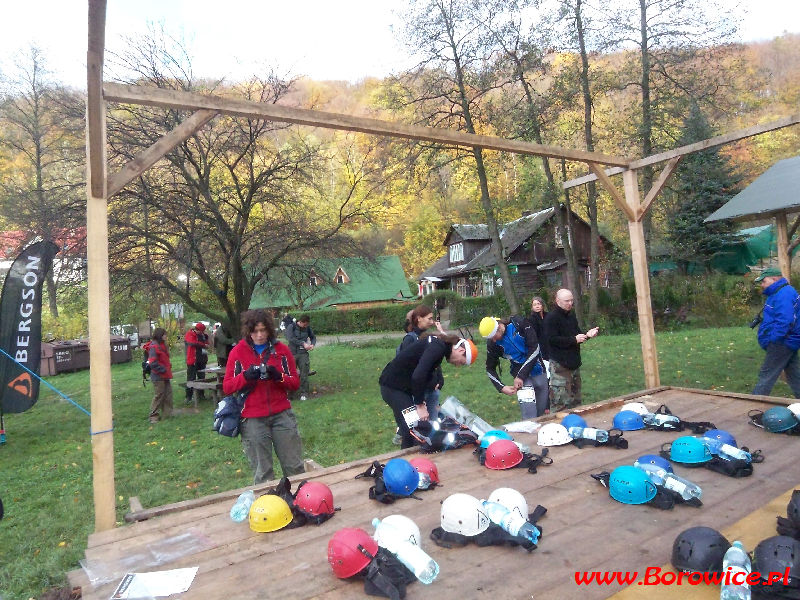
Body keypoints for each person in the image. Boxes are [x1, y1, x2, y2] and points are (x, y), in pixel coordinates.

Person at [223, 309, 304, 484]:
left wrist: (279, 377)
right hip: (253, 419)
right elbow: (227, 387)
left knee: (295, 467)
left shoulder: (281, 350)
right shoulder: (237, 352)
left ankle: (300, 504)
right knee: (263, 473)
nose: (259, 335)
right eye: (255, 331)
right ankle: (268, 510)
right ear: (248, 331)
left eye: (263, 330)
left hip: (282, 415)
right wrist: (245, 377)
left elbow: (295, 383)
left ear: (269, 329)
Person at [379, 333, 478, 448]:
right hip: (392, 387)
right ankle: (410, 461)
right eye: (461, 362)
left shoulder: (438, 346)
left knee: (411, 429)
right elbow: (418, 375)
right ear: (461, 350)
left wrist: (423, 397)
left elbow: (422, 372)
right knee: (414, 429)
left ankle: (410, 461)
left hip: (400, 387)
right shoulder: (438, 347)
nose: (457, 365)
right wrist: (420, 405)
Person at [479, 314, 549, 419]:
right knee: (529, 416)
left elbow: (535, 349)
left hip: (539, 370)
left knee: (541, 412)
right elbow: (490, 368)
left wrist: (521, 375)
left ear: (499, 327)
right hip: (520, 378)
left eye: (493, 337)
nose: (493, 340)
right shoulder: (493, 344)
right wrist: (501, 387)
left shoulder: (519, 323)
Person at [543, 288, 599, 411]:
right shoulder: (551, 318)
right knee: (560, 402)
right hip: (560, 365)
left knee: (576, 401)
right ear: (558, 301)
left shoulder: (571, 316)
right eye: (567, 301)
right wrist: (573, 340)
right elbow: (552, 340)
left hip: (574, 364)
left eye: (571, 301)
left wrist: (587, 335)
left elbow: (577, 336)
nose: (570, 303)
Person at [752, 268, 800, 397]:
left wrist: (773, 339)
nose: (762, 284)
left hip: (782, 342)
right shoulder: (779, 292)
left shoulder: (783, 294)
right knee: (795, 376)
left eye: (764, 281)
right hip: (788, 341)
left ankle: (753, 407)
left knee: (766, 376)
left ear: (774, 279)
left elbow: (785, 320)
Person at [285, 314, 316, 401]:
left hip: (303, 354)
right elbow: (290, 338)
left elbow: (313, 337)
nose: (306, 326)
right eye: (305, 325)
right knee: (291, 374)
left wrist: (312, 344)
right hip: (292, 353)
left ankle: (304, 393)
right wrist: (303, 343)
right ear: (300, 322)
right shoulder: (291, 327)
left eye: (307, 325)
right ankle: (289, 394)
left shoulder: (307, 328)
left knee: (304, 374)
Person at [147, 327, 173, 424]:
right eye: (164, 334)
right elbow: (153, 363)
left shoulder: (162, 345)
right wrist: (163, 369)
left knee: (168, 394)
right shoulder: (154, 346)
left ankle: (168, 413)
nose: (166, 336)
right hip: (158, 376)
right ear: (160, 335)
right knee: (159, 396)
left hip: (165, 374)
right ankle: (153, 416)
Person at [184, 322, 210, 404]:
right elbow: (192, 343)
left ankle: (201, 394)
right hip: (193, 360)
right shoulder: (190, 334)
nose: (201, 333)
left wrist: (205, 343)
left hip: (201, 359)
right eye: (201, 331)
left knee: (202, 377)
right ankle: (188, 396)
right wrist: (203, 345)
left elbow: (206, 343)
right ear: (197, 329)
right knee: (191, 378)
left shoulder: (202, 335)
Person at [529, 296, 550, 375]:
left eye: (538, 304)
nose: (537, 306)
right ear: (532, 307)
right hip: (540, 344)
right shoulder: (532, 319)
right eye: (535, 305)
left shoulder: (548, 316)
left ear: (542, 305)